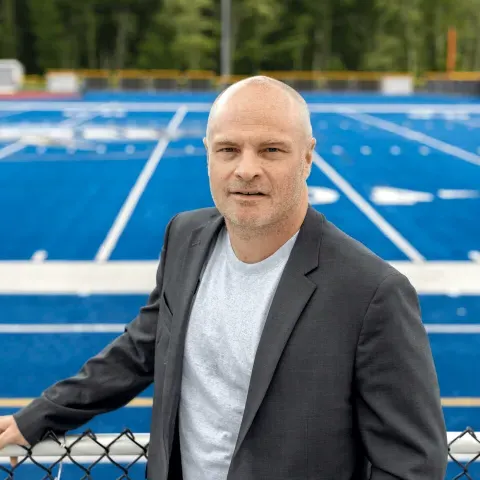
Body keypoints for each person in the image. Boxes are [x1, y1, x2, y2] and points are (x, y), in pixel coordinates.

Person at [0, 76, 448, 479]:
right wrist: (35, 418)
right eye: (228, 149)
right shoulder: (184, 236)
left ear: (307, 157)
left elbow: (412, 465)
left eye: (271, 150)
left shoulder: (371, 292)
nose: (246, 169)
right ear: (208, 156)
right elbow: (143, 348)